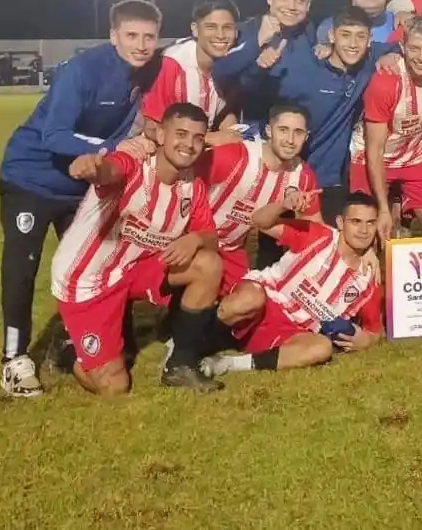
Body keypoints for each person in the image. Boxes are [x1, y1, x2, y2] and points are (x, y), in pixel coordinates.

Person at [0, 0, 163, 397]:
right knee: (24, 266)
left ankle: (72, 342)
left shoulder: (152, 69)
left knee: (95, 267)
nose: (141, 45)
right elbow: (54, 136)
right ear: (113, 35)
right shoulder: (82, 71)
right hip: (31, 179)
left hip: (82, 189)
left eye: (150, 37)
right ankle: (14, 361)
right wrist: (116, 146)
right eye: (131, 36)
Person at [51, 103, 224, 395]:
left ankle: (180, 365)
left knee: (208, 264)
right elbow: (111, 171)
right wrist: (95, 168)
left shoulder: (191, 187)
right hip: (87, 281)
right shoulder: (134, 165)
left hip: (133, 268)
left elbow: (210, 236)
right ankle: (69, 347)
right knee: (114, 386)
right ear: (159, 135)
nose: (189, 144)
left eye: (198, 138)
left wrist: (194, 239)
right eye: (180, 134)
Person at [200, 193, 383, 377]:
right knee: (248, 300)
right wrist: (283, 205)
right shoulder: (318, 234)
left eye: (370, 223)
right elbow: (259, 221)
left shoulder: (369, 280)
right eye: (356, 221)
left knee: (321, 348)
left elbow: (374, 331)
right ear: (341, 222)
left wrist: (365, 341)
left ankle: (229, 364)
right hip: (266, 299)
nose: (364, 230)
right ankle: (189, 341)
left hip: (294, 331)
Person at [196, 101, 324, 296]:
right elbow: (184, 189)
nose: (290, 139)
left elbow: (317, 230)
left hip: (231, 250)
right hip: (192, 239)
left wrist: (359, 253)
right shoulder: (234, 155)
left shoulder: (303, 176)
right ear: (269, 131)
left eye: (298, 132)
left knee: (248, 302)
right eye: (283, 130)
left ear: (306, 137)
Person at [350, 16, 422, 240]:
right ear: (403, 47)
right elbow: (374, 149)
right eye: (414, 49)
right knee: (374, 232)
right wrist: (383, 210)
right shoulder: (386, 82)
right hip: (373, 157)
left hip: (416, 156)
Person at [211, 0, 318, 128]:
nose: (292, 6)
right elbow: (219, 72)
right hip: (255, 135)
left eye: (300, 0)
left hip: (298, 135)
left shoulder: (308, 32)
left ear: (308, 5)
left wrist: (328, 49)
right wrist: (258, 44)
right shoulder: (244, 31)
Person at [141, 0, 244, 144]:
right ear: (195, 29)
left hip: (199, 146)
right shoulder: (172, 64)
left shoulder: (235, 61)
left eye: (227, 27)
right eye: (211, 27)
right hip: (160, 150)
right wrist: (207, 138)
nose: (221, 35)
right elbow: (150, 127)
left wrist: (233, 132)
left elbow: (224, 113)